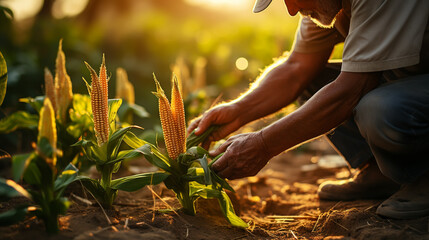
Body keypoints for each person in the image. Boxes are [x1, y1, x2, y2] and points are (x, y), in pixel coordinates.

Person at [187, 0, 429, 220]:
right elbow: (296, 69)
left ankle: (422, 177)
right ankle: (382, 173)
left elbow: (352, 90)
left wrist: (263, 145)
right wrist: (237, 110)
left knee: (381, 108)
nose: (291, 10)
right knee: (316, 81)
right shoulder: (324, 5)